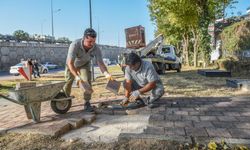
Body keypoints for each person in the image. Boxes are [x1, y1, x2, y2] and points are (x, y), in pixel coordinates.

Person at [63, 28, 112, 112]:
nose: (92, 44)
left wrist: (106, 74)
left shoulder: (96, 48)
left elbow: (100, 63)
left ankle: (87, 103)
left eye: (93, 41)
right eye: (90, 42)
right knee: (68, 82)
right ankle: (63, 100)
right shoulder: (75, 45)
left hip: (84, 65)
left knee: (86, 81)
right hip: (72, 65)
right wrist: (77, 77)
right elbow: (70, 63)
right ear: (84, 38)